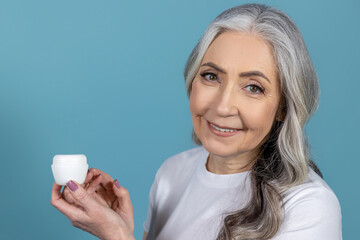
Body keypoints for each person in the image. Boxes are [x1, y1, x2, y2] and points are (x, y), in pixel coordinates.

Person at [51, 4, 342, 240]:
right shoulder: (172, 174)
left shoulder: (310, 207)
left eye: (253, 87)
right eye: (211, 76)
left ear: (283, 107)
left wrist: (117, 238)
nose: (223, 105)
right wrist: (122, 228)